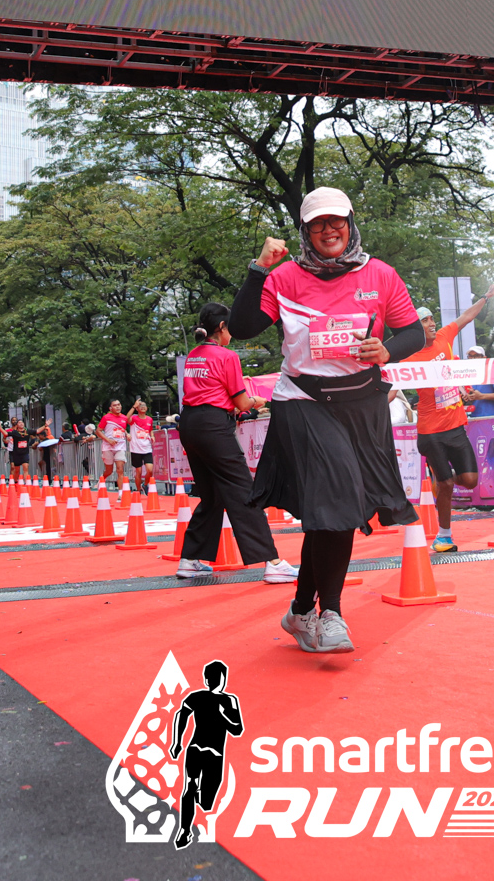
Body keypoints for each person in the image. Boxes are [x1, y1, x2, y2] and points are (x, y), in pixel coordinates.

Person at [227, 186, 424, 655]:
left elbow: (414, 332)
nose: (329, 230)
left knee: (330, 514)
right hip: (304, 401)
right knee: (337, 500)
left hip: (362, 405)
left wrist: (386, 350)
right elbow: (243, 327)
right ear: (305, 231)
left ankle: (300, 611)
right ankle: (331, 614)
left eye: (336, 221)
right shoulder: (286, 276)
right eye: (318, 223)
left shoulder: (380, 273)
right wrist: (259, 269)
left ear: (350, 224)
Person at [175, 303, 296, 584]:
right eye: (231, 328)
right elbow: (241, 402)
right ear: (221, 327)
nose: (234, 333)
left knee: (212, 494)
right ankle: (272, 561)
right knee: (244, 491)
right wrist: (257, 401)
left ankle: (190, 558)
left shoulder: (194, 355)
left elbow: (212, 392)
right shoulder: (227, 356)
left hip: (190, 424)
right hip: (213, 427)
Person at [405, 283, 494, 552]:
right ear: (416, 328)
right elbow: (387, 377)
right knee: (446, 484)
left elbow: (466, 316)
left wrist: (485, 297)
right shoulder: (409, 359)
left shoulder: (445, 337)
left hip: (455, 427)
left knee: (470, 481)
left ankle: (441, 478)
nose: (432, 323)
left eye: (432, 318)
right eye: (425, 321)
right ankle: (443, 536)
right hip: (430, 431)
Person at [166, 660, 243, 851]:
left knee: (205, 800)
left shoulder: (227, 700)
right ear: (209, 679)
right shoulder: (201, 697)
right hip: (201, 750)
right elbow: (181, 715)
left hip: (208, 753)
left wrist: (221, 717)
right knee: (190, 786)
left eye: (220, 677)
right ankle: (185, 830)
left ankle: (198, 800)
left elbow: (237, 729)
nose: (218, 681)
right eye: (216, 677)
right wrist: (177, 742)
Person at [464, 345, 494, 417]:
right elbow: (473, 398)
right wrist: (468, 397)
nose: (473, 359)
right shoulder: (468, 374)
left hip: (492, 419)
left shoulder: (492, 372)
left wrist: (482, 396)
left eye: (476, 356)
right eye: (470, 356)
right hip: (473, 419)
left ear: (484, 358)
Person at [126, 399, 155, 494]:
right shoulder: (134, 419)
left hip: (147, 448)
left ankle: (145, 485)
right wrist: (133, 406)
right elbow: (126, 419)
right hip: (136, 449)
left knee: (150, 470)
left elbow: (150, 429)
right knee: (138, 472)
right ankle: (138, 490)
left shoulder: (149, 419)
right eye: (140, 406)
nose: (143, 407)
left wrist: (152, 436)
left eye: (144, 405)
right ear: (137, 409)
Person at [98, 400, 128, 486]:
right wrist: (108, 440)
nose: (117, 407)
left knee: (120, 469)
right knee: (109, 471)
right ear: (110, 408)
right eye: (115, 405)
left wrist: (127, 434)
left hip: (120, 446)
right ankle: (102, 480)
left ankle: (121, 492)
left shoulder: (124, 418)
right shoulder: (106, 418)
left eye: (119, 404)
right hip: (108, 447)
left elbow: (122, 429)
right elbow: (98, 431)